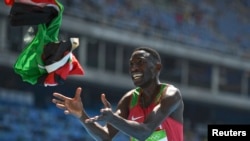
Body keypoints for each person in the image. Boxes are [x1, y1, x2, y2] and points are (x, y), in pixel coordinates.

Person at [52, 47, 184, 141]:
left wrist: (112, 118)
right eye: (131, 64)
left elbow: (144, 132)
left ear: (157, 67)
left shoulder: (171, 95)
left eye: (140, 63)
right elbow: (106, 136)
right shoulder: (129, 99)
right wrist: (81, 115)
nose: (134, 68)